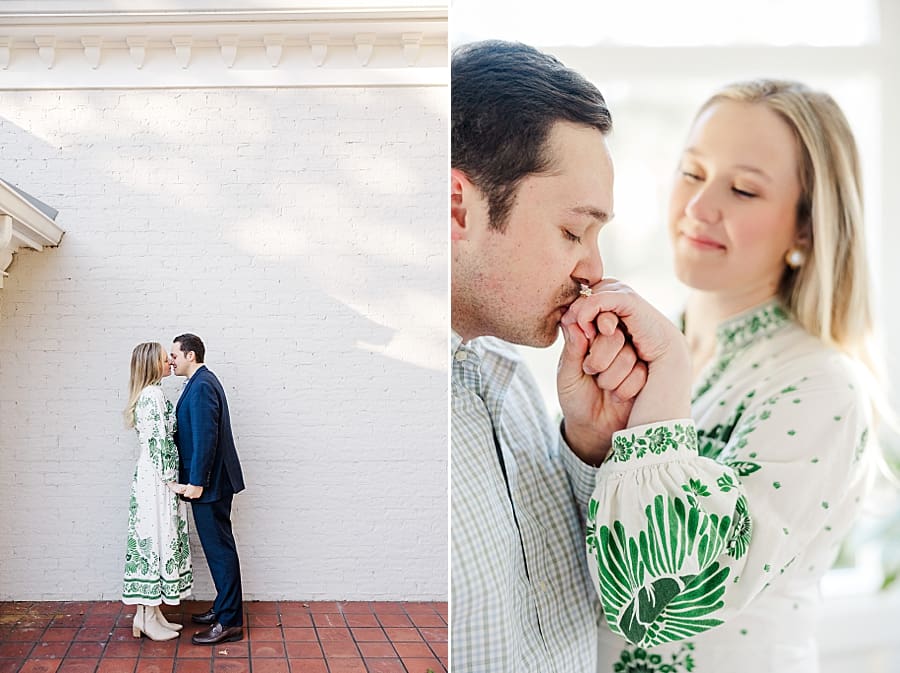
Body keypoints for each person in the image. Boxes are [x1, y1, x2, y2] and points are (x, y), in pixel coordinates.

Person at [569, 80, 877, 673]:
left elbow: (661, 609)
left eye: (742, 189)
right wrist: (587, 440)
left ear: (807, 228)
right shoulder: (636, 351)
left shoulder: (819, 388)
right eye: (691, 172)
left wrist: (660, 402)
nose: (700, 206)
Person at [451, 40, 681, 672]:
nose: (594, 271)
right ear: (457, 208)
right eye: (573, 232)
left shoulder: (510, 380)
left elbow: (641, 611)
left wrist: (592, 447)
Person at [170, 333, 246, 645]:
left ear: (190, 355)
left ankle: (229, 622)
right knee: (219, 549)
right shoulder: (201, 382)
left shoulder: (201, 385)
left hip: (210, 485)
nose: (171, 360)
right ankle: (223, 607)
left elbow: (205, 437)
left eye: (175, 354)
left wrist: (196, 483)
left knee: (219, 550)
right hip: (211, 482)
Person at [122, 341, 193, 641]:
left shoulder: (151, 393)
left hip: (153, 477)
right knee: (155, 538)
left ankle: (150, 613)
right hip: (156, 480)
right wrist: (170, 480)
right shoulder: (152, 395)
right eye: (165, 359)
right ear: (153, 364)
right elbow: (158, 442)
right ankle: (145, 615)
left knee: (158, 538)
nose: (170, 362)